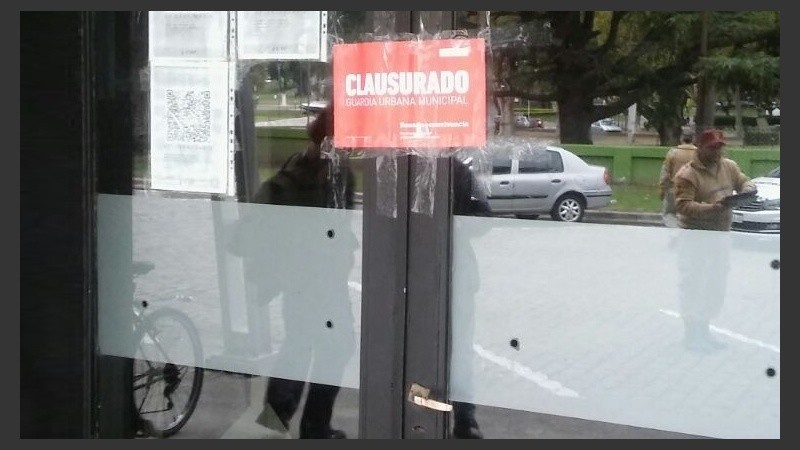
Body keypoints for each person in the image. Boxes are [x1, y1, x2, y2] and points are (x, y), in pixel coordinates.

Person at [251, 103, 356, 439]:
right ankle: (313, 425)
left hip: (297, 276)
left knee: (299, 345)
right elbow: (334, 229)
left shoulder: (296, 163)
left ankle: (275, 421)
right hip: (323, 278)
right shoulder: (336, 174)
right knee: (335, 347)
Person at [671, 128, 756, 352]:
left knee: (714, 284)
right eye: (712, 147)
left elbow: (743, 181)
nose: (717, 151)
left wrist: (747, 190)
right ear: (700, 147)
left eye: (720, 147)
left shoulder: (729, 166)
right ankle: (692, 335)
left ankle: (705, 331)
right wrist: (712, 208)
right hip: (695, 237)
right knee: (694, 284)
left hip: (720, 236)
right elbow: (682, 205)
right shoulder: (687, 175)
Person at [658, 130, 696, 228]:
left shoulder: (673, 153)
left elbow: (665, 173)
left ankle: (674, 231)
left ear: (681, 138)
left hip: (674, 189)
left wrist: (662, 189)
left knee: (669, 214)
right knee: (690, 216)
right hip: (694, 191)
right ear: (694, 139)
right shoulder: (698, 154)